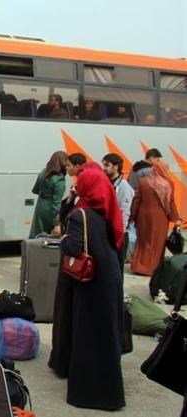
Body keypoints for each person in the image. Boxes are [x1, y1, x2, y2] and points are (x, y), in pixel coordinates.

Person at [48, 163, 126, 411]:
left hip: (91, 283)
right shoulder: (107, 212)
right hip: (109, 280)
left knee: (88, 336)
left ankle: (88, 394)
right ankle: (110, 393)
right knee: (104, 336)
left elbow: (72, 247)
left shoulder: (80, 215)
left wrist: (62, 238)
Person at [130, 161, 181, 276]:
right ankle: (152, 269)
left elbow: (137, 200)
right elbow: (171, 203)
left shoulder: (143, 182)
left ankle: (138, 266)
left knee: (142, 241)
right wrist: (176, 219)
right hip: (160, 217)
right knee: (157, 243)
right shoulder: (168, 184)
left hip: (143, 216)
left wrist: (133, 215)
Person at [101, 153, 134, 275]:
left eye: (107, 165)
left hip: (118, 231)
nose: (104, 168)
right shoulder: (106, 182)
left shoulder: (124, 187)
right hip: (106, 229)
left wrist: (120, 232)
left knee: (117, 268)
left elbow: (125, 211)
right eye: (103, 165)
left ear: (116, 167)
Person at [29, 151, 67, 238]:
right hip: (50, 209)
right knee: (50, 238)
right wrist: (57, 223)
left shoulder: (43, 172)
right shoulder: (59, 180)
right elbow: (56, 204)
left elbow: (35, 190)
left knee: (37, 233)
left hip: (40, 205)